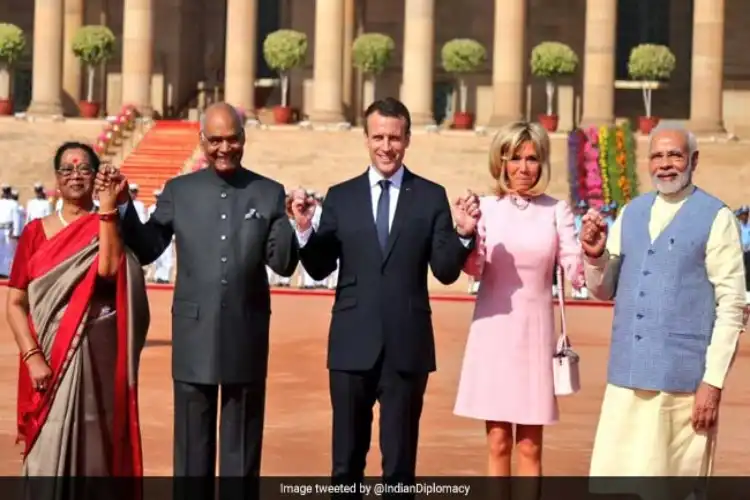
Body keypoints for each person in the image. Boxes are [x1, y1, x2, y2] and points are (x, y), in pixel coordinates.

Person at [104, 102, 299, 491]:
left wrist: (296, 224)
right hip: (194, 333)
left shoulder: (268, 192)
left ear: (244, 140)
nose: (224, 148)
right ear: (202, 141)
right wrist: (123, 205)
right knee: (192, 451)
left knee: (241, 451)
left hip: (247, 330)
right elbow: (148, 247)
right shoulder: (179, 191)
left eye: (232, 139)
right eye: (215, 140)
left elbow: (283, 262)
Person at [289, 97, 479, 493]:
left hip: (406, 349)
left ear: (407, 139)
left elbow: (444, 272)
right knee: (346, 467)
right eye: (378, 137)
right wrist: (305, 229)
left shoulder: (430, 196)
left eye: (394, 137)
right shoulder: (341, 196)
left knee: (399, 470)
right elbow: (320, 266)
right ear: (366, 139)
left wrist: (462, 234)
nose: (386, 146)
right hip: (350, 346)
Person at [581, 125, 745, 486]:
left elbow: (732, 305)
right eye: (657, 156)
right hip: (626, 384)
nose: (666, 164)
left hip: (681, 391)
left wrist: (712, 383)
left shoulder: (716, 218)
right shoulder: (631, 212)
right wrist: (594, 258)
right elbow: (603, 289)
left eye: (675, 155)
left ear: (693, 160)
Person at [7, 142, 149, 487]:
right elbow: (15, 303)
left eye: (84, 168)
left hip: (94, 355)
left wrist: (108, 207)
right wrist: (32, 356)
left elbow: (108, 269)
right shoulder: (34, 232)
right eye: (68, 169)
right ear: (57, 178)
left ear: (96, 176)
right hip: (47, 357)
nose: (75, 175)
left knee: (94, 443)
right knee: (46, 446)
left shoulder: (105, 225)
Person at [454, 121, 584, 484]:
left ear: (542, 163)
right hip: (493, 333)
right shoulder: (485, 208)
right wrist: (466, 232)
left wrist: (592, 249)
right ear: (501, 161)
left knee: (529, 446)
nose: (523, 168)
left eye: (531, 158)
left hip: (535, 336)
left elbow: (575, 269)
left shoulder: (557, 210)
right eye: (514, 158)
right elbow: (474, 269)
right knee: (497, 443)